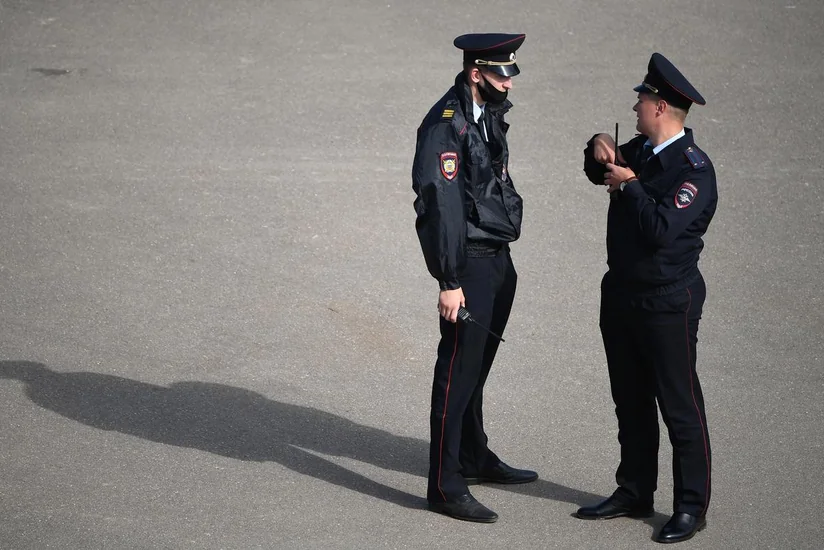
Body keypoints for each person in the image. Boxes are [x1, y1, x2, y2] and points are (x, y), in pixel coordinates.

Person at [576, 53, 717, 544]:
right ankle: (634, 490)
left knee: (679, 405)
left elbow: (660, 230)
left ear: (660, 107)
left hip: (666, 302)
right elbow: (602, 171)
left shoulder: (694, 172)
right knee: (630, 400)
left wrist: (631, 186)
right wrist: (597, 147)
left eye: (641, 99)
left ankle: (691, 508)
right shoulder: (641, 151)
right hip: (622, 297)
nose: (635, 105)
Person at [411, 33, 537, 523]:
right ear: (475, 73)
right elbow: (439, 206)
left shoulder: (486, 113)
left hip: (496, 256)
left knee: (477, 366)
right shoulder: (446, 125)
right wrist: (449, 279)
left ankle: (473, 454)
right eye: (500, 73)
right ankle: (443, 485)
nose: (508, 81)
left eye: (510, 72)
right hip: (467, 264)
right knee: (456, 374)